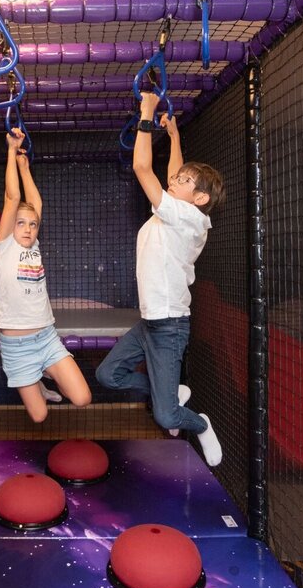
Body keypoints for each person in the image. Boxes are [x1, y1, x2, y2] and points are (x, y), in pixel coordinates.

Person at [95, 92, 226, 466]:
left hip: (169, 326)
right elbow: (172, 175)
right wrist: (174, 137)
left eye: (184, 182)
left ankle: (198, 423)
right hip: (150, 322)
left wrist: (147, 115)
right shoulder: (178, 209)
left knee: (167, 417)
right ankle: (167, 391)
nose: (175, 181)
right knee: (108, 375)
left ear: (199, 198)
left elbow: (142, 169)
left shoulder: (187, 218)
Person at [0, 128, 92, 422]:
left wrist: (26, 168)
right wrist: (11, 152)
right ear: (9, 226)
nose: (27, 228)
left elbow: (36, 203)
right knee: (39, 416)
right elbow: (14, 198)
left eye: (32, 224)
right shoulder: (4, 245)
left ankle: (44, 371)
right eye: (21, 223)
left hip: (46, 337)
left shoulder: (33, 243)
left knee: (83, 398)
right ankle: (37, 381)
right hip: (16, 346)